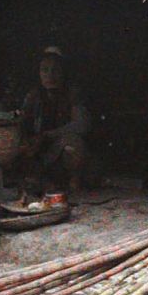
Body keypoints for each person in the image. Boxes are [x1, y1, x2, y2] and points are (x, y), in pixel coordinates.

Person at [16, 46, 90, 195]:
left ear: (63, 72)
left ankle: (73, 183)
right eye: (45, 70)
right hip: (38, 151)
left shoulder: (72, 94)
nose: (50, 75)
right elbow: (21, 124)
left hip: (60, 149)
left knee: (73, 145)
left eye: (55, 70)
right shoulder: (33, 96)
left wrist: (47, 135)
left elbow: (81, 125)